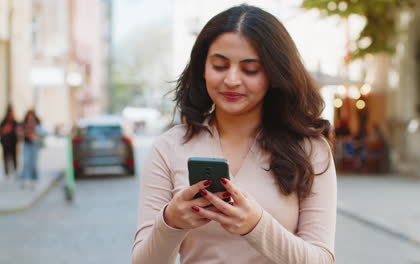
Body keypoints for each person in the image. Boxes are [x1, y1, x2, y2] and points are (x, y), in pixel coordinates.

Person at [132, 5, 336, 264]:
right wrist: (170, 222)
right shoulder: (169, 147)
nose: (231, 80)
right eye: (219, 65)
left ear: (274, 74)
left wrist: (256, 225)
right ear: (202, 68)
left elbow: (322, 260)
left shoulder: (310, 149)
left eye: (250, 69)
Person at [19, 110, 45, 189]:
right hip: (27, 144)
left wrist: (35, 134)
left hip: (35, 145)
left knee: (33, 163)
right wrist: (25, 132)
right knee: (26, 162)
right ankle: (25, 179)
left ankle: (33, 180)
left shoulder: (37, 124)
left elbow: (43, 133)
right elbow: (20, 134)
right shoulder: (24, 124)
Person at [0, 105, 19, 181]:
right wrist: (5, 130)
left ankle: (15, 171)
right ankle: (7, 173)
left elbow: (18, 131)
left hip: (13, 142)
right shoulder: (4, 121)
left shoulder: (14, 122)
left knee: (14, 157)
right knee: (5, 157)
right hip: (5, 143)